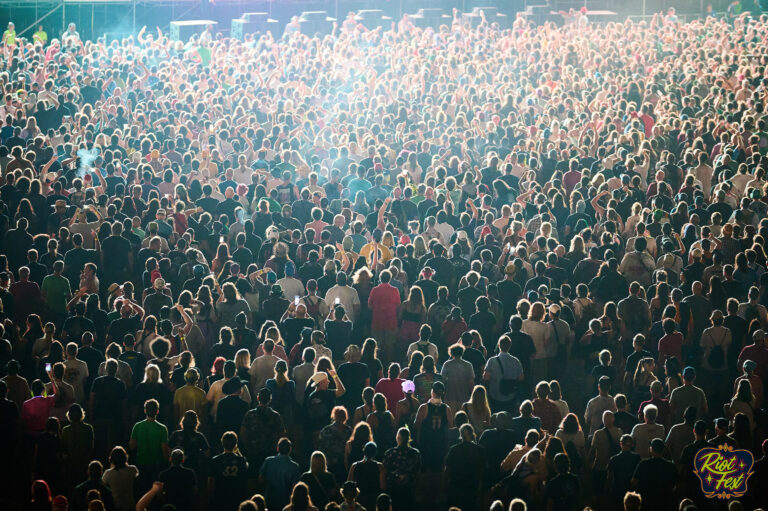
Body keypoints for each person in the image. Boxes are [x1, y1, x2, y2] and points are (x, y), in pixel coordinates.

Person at [129, 399, 169, 494]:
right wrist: (166, 463)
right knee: (155, 492)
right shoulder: (162, 428)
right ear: (157, 411)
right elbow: (164, 449)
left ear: (145, 410)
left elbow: (132, 446)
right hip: (156, 464)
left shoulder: (137, 426)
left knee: (142, 491)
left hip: (141, 463)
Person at [631, 438, 677, 511]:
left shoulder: (643, 464)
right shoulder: (671, 466)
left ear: (651, 449)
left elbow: (633, 482)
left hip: (646, 502)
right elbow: (678, 485)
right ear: (663, 450)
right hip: (665, 502)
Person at [208, 431, 249, 511]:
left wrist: (210, 497)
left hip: (220, 495)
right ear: (235, 444)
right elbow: (245, 478)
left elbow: (211, 481)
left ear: (222, 443)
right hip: (236, 495)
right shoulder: (241, 460)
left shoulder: (216, 460)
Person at [259, 437, 301, 511]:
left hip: (269, 501)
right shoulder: (294, 466)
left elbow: (261, 479)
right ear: (290, 449)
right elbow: (295, 487)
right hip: (286, 503)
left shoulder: (268, 461)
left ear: (278, 448)